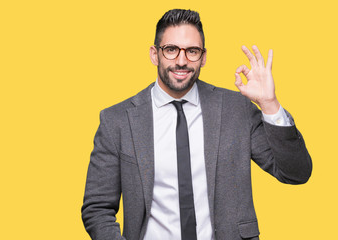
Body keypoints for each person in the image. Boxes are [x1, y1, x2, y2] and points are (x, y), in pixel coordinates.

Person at [81, 9, 312, 240]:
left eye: (192, 51)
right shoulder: (118, 121)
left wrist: (269, 103)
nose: (181, 61)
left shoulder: (237, 109)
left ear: (203, 57)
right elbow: (97, 208)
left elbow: (296, 173)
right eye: (171, 50)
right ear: (154, 54)